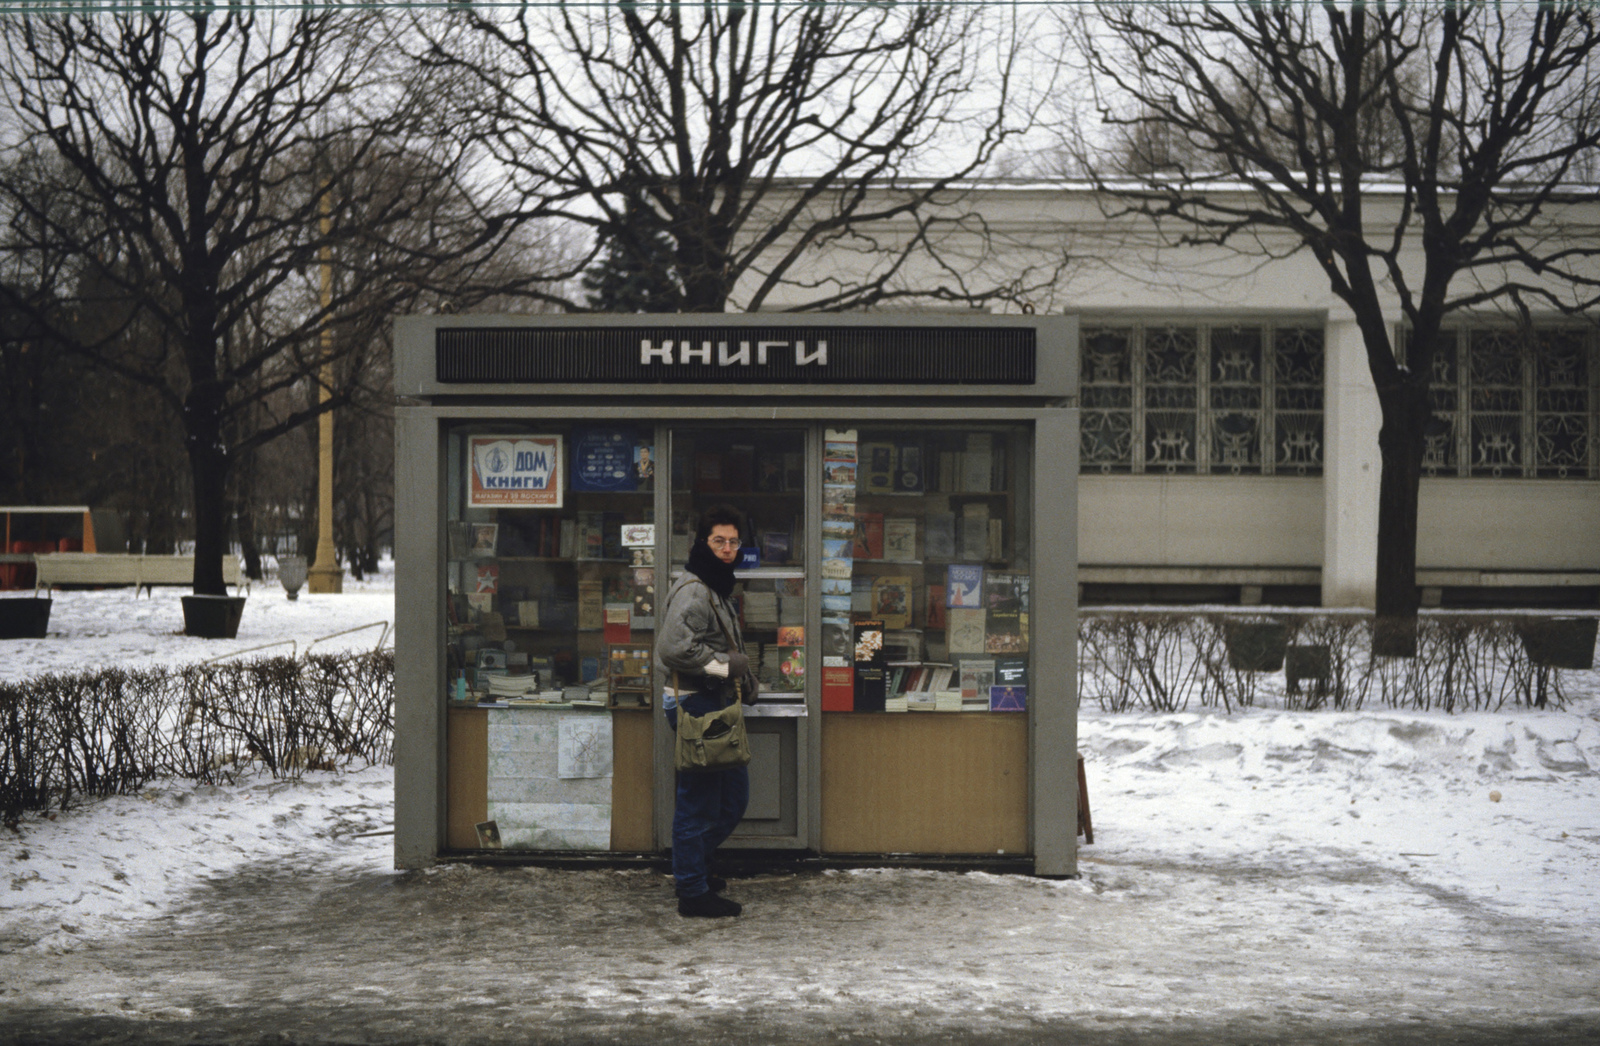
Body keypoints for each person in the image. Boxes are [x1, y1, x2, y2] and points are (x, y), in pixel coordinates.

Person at [655, 503, 758, 918]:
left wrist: (740, 680)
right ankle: (692, 892)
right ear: (703, 543)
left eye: (733, 542)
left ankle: (691, 865)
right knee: (698, 803)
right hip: (693, 704)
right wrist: (727, 667)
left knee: (731, 800)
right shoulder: (696, 589)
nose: (728, 548)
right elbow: (673, 649)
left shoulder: (714, 584)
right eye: (719, 541)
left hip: (711, 703)